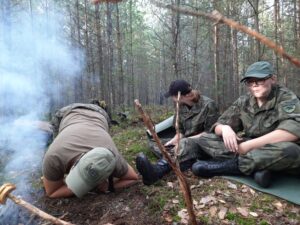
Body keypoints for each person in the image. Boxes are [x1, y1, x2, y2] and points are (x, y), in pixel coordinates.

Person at [191, 61, 300, 187]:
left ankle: (229, 166)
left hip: (275, 148)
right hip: (252, 148)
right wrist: (225, 128)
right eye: (250, 82)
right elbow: (218, 125)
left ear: (273, 79)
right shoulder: (244, 100)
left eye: (260, 80)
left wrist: (247, 146)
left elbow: (293, 132)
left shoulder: (286, 97)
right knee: (205, 138)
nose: (254, 86)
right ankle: (260, 169)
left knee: (290, 151)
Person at [42, 102, 138, 198]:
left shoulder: (110, 157)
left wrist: (109, 186)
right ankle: (51, 175)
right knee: (53, 140)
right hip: (67, 113)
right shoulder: (54, 156)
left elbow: (133, 178)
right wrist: (80, 188)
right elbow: (51, 192)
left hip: (100, 115)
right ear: (74, 165)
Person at [136, 79, 219, 185]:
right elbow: (180, 129)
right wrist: (176, 139)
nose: (173, 99)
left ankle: (158, 171)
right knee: (154, 141)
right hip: (185, 141)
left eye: (174, 96)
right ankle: (181, 159)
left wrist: (184, 140)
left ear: (184, 96)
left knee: (184, 144)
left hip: (203, 144)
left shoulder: (209, 105)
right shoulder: (181, 106)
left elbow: (211, 133)